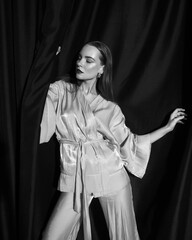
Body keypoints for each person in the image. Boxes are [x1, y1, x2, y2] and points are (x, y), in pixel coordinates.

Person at [39, 41, 186, 240]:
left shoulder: (110, 108)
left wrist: (166, 129)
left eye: (89, 60)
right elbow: (42, 126)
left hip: (111, 176)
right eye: (79, 58)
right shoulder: (61, 91)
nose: (80, 63)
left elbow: (130, 142)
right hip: (76, 179)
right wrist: (47, 59)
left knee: (124, 236)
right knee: (51, 237)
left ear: (101, 69)